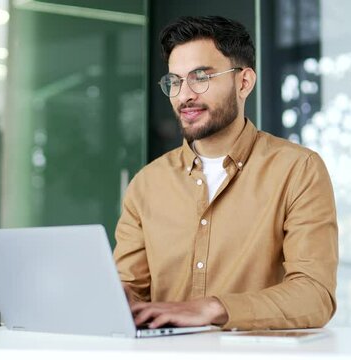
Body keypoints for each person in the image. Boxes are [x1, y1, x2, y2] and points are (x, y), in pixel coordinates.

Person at [113, 15, 338, 330]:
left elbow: (315, 296)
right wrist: (107, 296)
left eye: (200, 77)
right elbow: (128, 290)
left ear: (244, 82)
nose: (184, 95)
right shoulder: (147, 184)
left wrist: (213, 309)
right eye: (174, 81)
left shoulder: (298, 170)